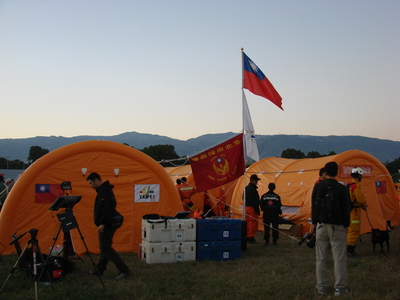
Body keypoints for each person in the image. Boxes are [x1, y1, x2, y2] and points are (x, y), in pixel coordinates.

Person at [312, 162, 350, 296]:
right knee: (339, 258)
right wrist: (346, 225)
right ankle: (340, 287)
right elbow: (346, 208)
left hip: (321, 226)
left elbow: (314, 206)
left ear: (324, 173)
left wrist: (314, 224)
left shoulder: (318, 187)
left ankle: (321, 287)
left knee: (320, 258)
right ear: (337, 172)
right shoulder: (341, 189)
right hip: (337, 226)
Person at [86, 172, 131, 280]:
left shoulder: (104, 191)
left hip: (107, 223)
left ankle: (124, 270)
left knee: (106, 248)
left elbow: (106, 209)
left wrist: (103, 223)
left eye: (91, 183)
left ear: (96, 180)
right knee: (104, 248)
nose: (91, 186)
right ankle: (100, 269)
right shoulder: (104, 190)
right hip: (107, 222)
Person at [347, 167, 367, 258]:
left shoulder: (349, 185)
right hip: (354, 211)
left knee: (350, 229)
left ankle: (349, 248)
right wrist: (364, 204)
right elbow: (361, 199)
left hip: (350, 210)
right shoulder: (355, 186)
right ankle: (350, 250)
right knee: (354, 230)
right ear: (358, 176)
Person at [244, 174, 261, 244]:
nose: (257, 182)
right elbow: (255, 200)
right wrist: (257, 209)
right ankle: (251, 237)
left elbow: (243, 198)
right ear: (252, 181)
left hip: (246, 207)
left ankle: (247, 235)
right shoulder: (253, 190)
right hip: (252, 208)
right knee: (253, 223)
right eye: (256, 180)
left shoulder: (246, 188)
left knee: (247, 222)